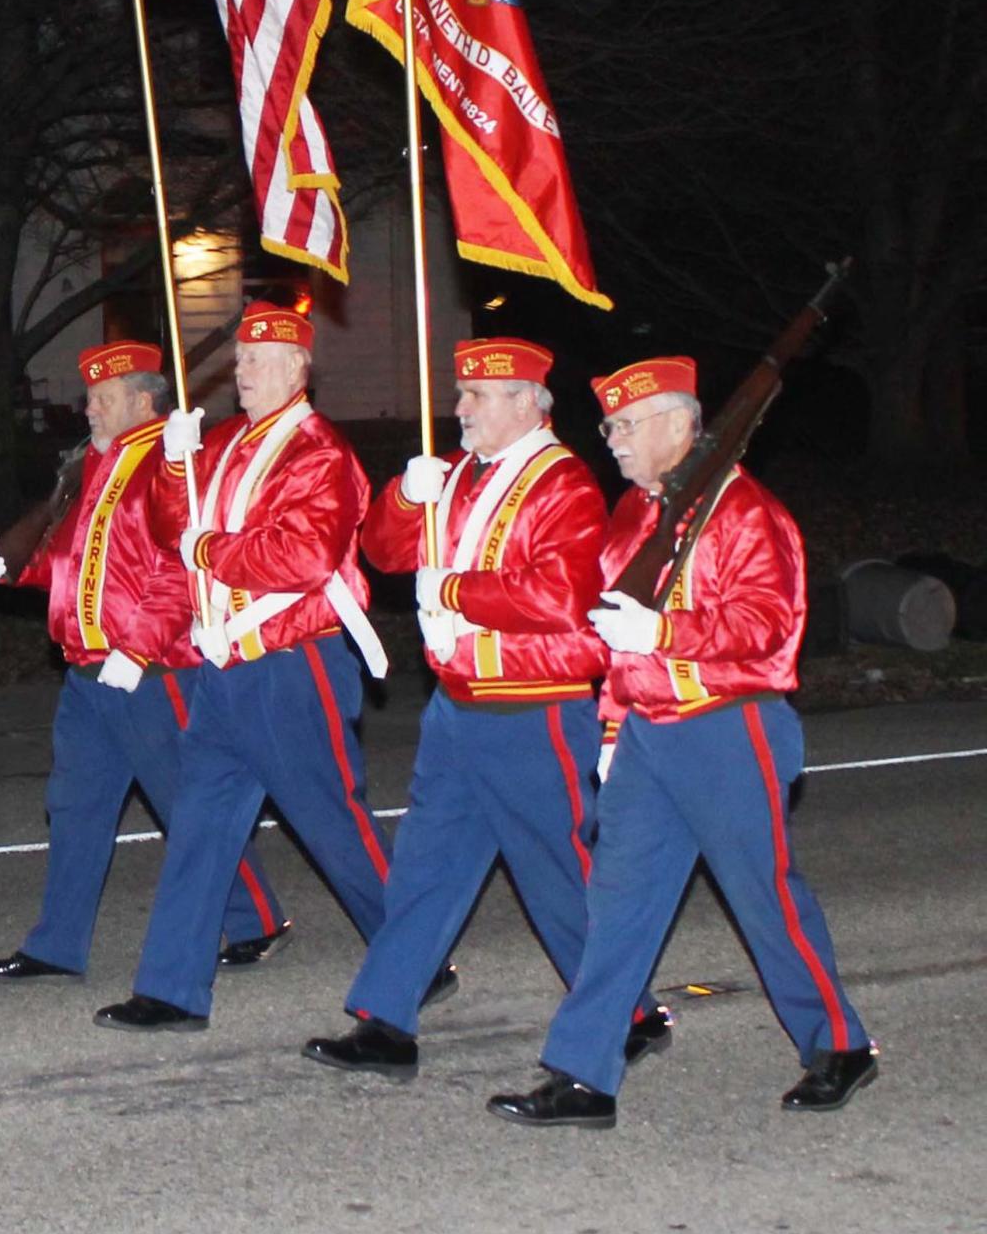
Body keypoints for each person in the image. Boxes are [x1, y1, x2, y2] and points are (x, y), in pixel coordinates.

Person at [488, 355, 877, 1129]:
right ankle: (583, 1073)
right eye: (607, 426)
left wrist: (666, 630)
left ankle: (839, 1044)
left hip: (730, 728)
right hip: (647, 734)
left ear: (678, 424)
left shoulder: (744, 513)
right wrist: (610, 721)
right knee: (619, 904)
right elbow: (614, 637)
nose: (613, 441)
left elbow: (768, 625)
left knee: (764, 895)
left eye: (626, 425)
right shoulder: (634, 515)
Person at [301, 337, 668, 1079]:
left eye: (475, 394)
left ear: (526, 401)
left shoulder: (563, 484)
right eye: (462, 391)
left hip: (533, 708)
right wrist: (407, 495)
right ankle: (386, 1020)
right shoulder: (462, 473)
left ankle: (627, 1009)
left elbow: (557, 595)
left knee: (558, 873)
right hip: (458, 707)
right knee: (426, 868)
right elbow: (381, 549)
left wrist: (453, 592)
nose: (459, 407)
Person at [92, 301, 429, 1032]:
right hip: (225, 670)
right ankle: (173, 988)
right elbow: (169, 526)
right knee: (200, 824)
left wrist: (209, 548)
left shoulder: (320, 454)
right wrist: (172, 466)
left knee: (333, 823)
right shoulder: (222, 442)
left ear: (296, 368)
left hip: (291, 664)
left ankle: (418, 958)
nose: (239, 370)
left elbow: (300, 556)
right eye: (240, 357)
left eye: (255, 358)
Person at [0, 339, 286, 985]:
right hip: (87, 674)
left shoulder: (171, 464)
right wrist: (17, 566)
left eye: (102, 397)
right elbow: (74, 563)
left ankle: (255, 916)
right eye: (90, 396)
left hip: (153, 672)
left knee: (187, 801)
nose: (88, 407)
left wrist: (137, 647)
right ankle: (57, 945)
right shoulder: (91, 466)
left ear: (144, 400)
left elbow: (179, 570)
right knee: (75, 806)